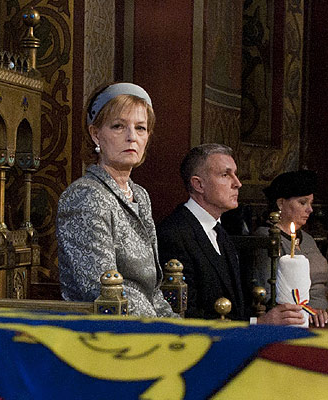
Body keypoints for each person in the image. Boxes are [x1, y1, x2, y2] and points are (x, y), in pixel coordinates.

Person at [56, 82, 173, 317]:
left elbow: (152, 290)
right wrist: (159, 332)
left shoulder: (139, 194)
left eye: (141, 128)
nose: (132, 137)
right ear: (96, 134)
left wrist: (176, 327)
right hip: (108, 332)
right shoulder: (86, 196)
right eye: (119, 126)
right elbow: (102, 289)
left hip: (147, 325)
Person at [157, 144, 304, 324]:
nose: (237, 183)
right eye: (225, 175)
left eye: (235, 174)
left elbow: (236, 304)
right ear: (198, 184)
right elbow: (183, 314)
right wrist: (258, 324)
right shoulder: (174, 234)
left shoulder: (220, 231)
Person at [251, 170, 328, 327]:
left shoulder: (307, 239)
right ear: (281, 203)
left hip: (325, 314)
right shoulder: (267, 236)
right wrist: (311, 311)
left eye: (311, 203)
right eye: (303, 203)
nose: (310, 209)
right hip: (297, 319)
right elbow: (268, 292)